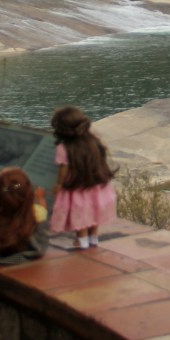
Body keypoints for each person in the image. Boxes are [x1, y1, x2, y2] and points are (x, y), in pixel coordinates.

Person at [49, 106, 117, 250]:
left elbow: (64, 169)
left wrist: (59, 184)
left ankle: (82, 241)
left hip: (76, 187)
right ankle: (94, 238)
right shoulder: (93, 142)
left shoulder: (64, 148)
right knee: (93, 213)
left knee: (80, 216)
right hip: (96, 186)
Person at [0, 167, 49, 265]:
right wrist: (41, 197)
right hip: (26, 250)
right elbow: (44, 210)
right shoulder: (36, 212)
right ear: (29, 194)